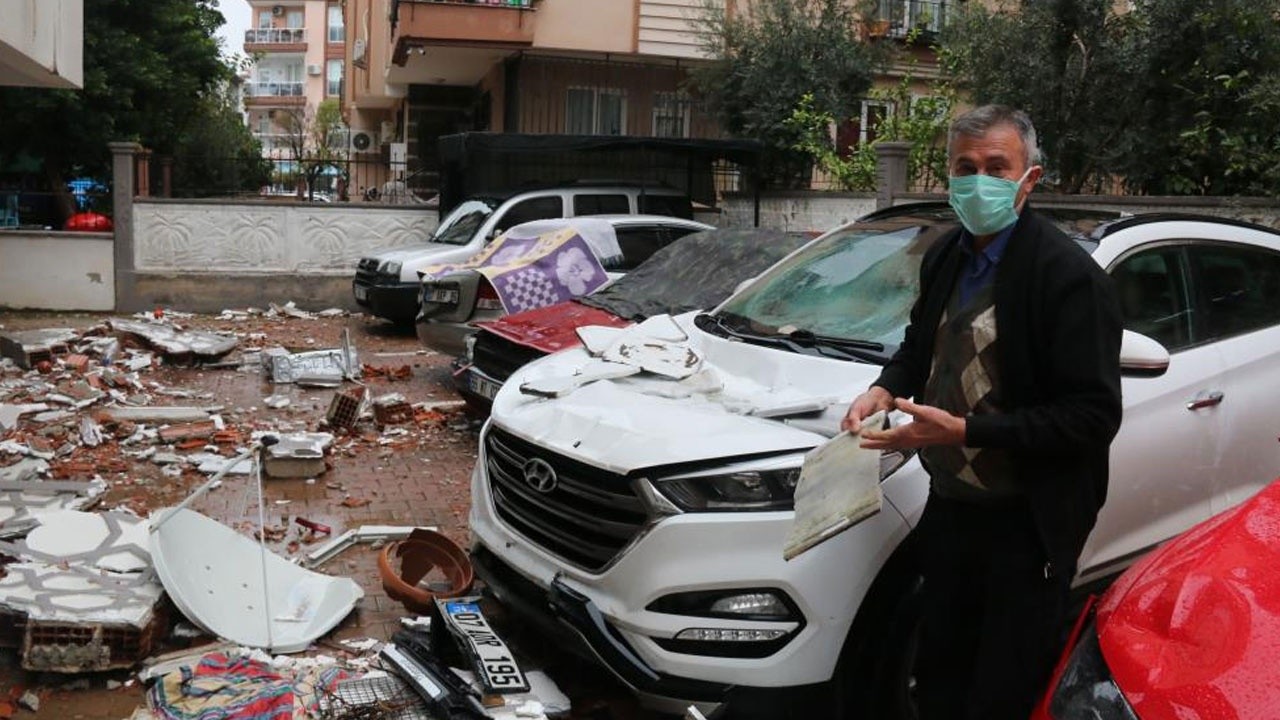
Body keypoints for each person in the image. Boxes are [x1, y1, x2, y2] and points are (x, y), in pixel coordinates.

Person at [842, 105, 1123, 719]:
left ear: (1031, 178)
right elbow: (919, 346)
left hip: (1028, 526)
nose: (979, 181)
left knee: (1003, 690)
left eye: (997, 167)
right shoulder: (947, 256)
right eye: (965, 168)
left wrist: (969, 430)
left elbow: (1092, 417)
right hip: (950, 509)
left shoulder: (1068, 278)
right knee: (940, 672)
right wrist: (883, 390)